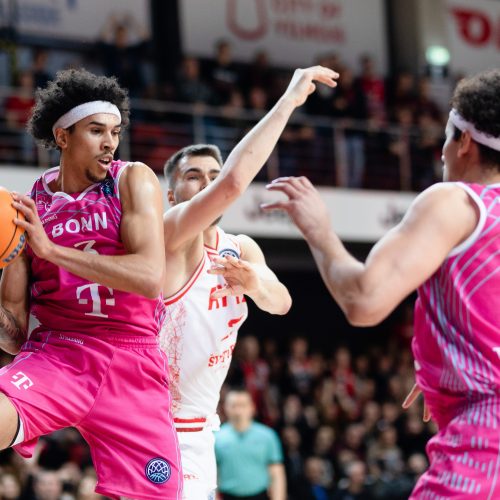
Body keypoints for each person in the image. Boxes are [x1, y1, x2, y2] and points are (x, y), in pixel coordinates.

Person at [263, 68, 500, 498]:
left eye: (446, 138)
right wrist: (451, 364)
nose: (442, 152)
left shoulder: (455, 201)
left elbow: (363, 300)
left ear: (463, 141)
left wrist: (319, 231)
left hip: (486, 445)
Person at [0, 68, 181, 499]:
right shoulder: (31, 203)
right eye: (96, 130)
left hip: (131, 360)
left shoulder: (132, 179)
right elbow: (12, 334)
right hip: (60, 353)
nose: (110, 143)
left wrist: (52, 250)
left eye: (115, 131)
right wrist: (13, 261)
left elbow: (149, 276)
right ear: (62, 136)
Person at [160, 66, 338, 500]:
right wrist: (289, 101)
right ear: (170, 195)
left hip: (200, 424)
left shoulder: (240, 246)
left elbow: (281, 303)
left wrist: (255, 281)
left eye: (213, 174)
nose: (208, 183)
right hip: (156, 419)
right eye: (193, 176)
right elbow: (236, 183)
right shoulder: (166, 237)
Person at [214, 389, 286, 500]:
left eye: (243, 405)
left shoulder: (267, 436)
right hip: (228, 495)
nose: (238, 411)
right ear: (225, 408)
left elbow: (276, 473)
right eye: (233, 406)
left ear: (252, 407)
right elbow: (212, 473)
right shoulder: (216, 437)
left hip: (259, 495)